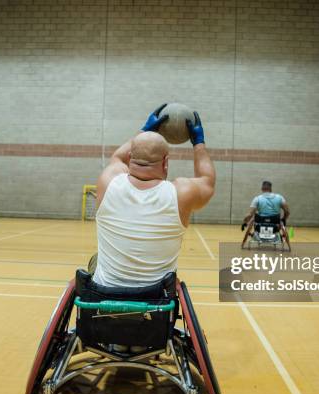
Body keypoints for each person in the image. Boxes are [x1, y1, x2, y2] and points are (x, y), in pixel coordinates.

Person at [92, 103, 215, 287]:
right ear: (166, 163)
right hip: (158, 297)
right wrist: (198, 143)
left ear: (131, 155)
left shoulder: (108, 182)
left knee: (95, 259)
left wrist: (145, 130)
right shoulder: (181, 193)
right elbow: (207, 180)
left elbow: (117, 157)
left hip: (105, 291)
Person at [241, 180, 291, 248]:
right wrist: (284, 219)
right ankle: (288, 246)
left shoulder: (257, 199)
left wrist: (244, 222)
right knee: (281, 222)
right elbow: (287, 211)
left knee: (253, 218)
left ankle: (243, 244)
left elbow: (249, 215)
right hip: (275, 227)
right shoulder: (280, 197)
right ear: (271, 189)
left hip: (259, 226)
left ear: (262, 189)